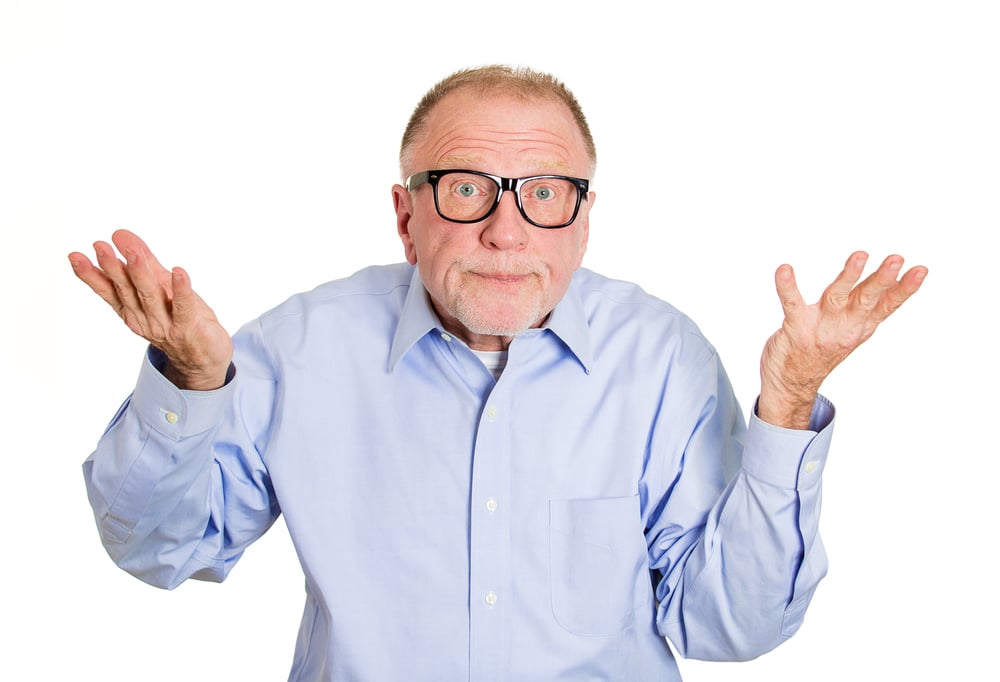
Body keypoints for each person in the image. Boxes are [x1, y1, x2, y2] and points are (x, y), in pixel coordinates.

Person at [68, 65, 927, 681]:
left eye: (545, 193)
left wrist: (786, 406)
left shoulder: (663, 359)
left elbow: (730, 625)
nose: (506, 232)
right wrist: (187, 385)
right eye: (466, 189)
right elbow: (158, 548)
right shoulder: (298, 350)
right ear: (406, 218)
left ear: (584, 220)